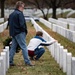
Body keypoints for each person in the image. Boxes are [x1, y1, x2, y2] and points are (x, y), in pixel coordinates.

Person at [8, 1, 34, 66]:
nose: (23, 8)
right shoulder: (20, 14)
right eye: (23, 6)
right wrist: (24, 31)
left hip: (14, 33)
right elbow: (22, 24)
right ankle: (27, 62)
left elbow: (9, 24)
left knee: (13, 47)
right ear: (19, 6)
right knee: (24, 47)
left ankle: (10, 61)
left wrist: (11, 33)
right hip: (19, 32)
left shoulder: (11, 14)